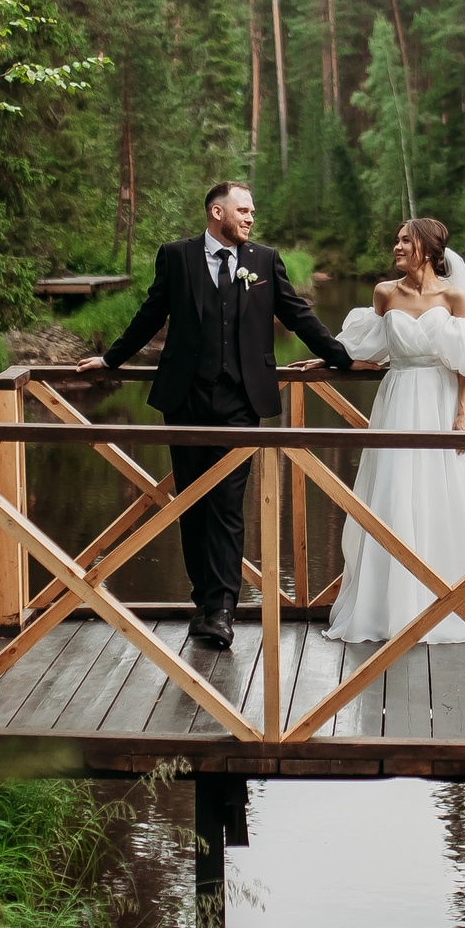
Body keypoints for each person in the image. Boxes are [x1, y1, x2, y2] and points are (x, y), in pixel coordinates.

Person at [75, 182, 352, 648]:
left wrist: (342, 358)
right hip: (184, 400)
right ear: (216, 212)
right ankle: (203, 602)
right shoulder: (176, 256)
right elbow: (150, 313)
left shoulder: (264, 260)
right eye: (243, 210)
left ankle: (222, 609)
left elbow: (298, 315)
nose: (250, 218)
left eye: (252, 211)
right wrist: (111, 359)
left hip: (241, 401)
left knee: (226, 505)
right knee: (191, 503)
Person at [324, 217, 465, 647]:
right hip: (398, 404)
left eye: (405, 241)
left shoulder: (454, 296)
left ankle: (452, 602)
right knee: (395, 494)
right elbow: (368, 346)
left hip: (443, 403)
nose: (396, 247)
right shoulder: (384, 293)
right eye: (396, 240)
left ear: (429, 250)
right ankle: (392, 609)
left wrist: (464, 414)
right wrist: (329, 360)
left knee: (445, 495)